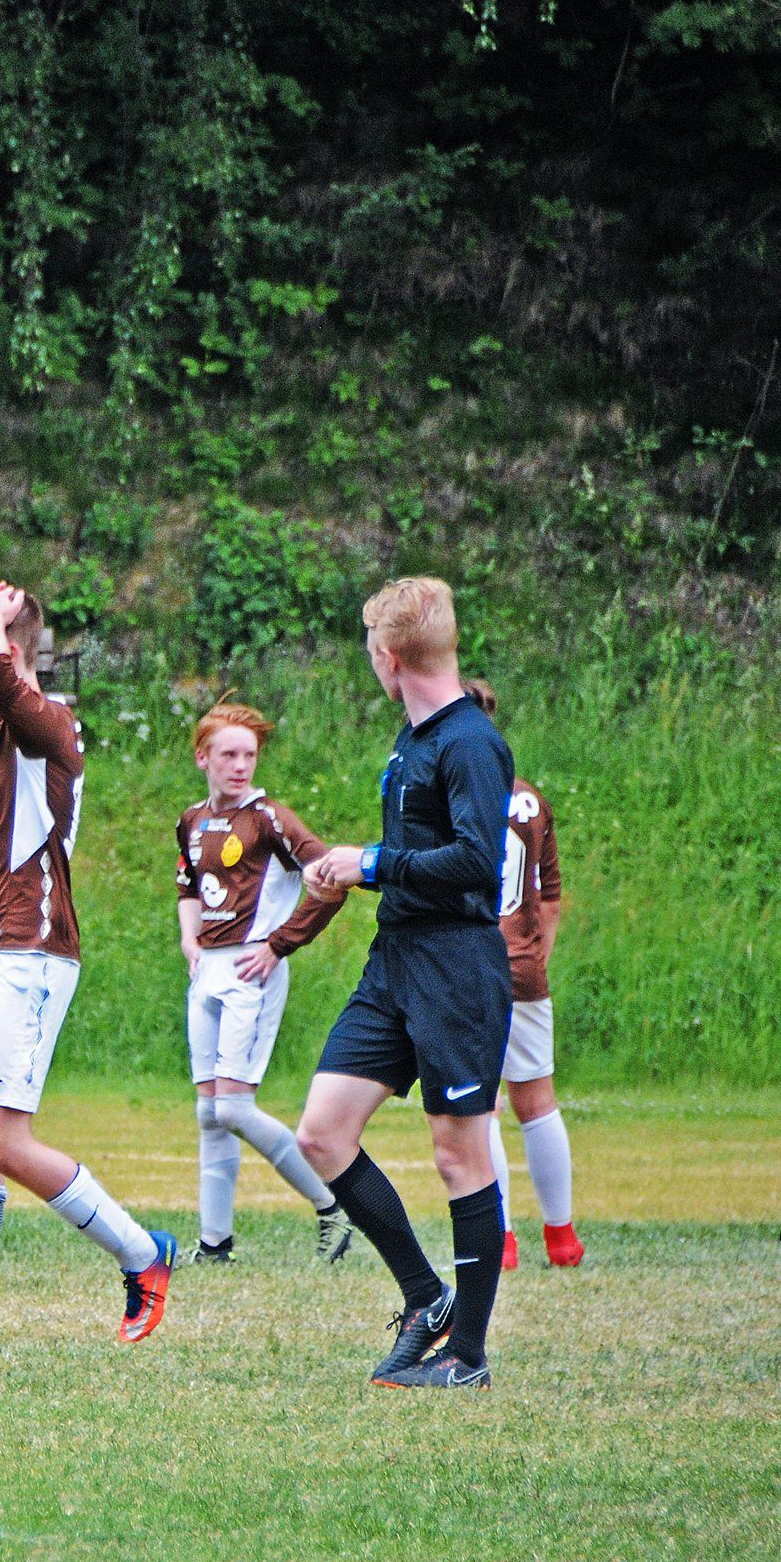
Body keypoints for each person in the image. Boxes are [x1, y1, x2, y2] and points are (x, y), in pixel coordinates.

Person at [0, 584, 178, 1347]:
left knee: (4, 1142)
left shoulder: (48, 726)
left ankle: (144, 1254)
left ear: (9, 657)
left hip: (30, 954)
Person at [288, 579, 514, 1388]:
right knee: (322, 1132)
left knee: (460, 1157)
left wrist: (373, 863)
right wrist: (351, 868)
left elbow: (475, 865)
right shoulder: (412, 738)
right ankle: (427, 1299)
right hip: (395, 965)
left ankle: (468, 1358)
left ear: (389, 658)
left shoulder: (470, 744)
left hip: (456, 968)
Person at [171, 702, 357, 1265]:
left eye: (249, 755)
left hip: (252, 972)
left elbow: (330, 879)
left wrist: (280, 945)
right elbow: (186, 886)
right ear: (203, 757)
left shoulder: (271, 817)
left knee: (231, 1108)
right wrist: (189, 940)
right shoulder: (192, 820)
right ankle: (214, 1245)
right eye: (228, 754)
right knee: (210, 1113)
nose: (240, 765)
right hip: (208, 970)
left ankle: (333, 1206)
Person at [464, 679, 583, 1270]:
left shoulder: (451, 793)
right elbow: (551, 894)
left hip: (468, 966)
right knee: (538, 1101)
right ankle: (561, 1236)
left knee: (479, 1106)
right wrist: (535, 953)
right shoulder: (530, 799)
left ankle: (501, 1242)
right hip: (526, 970)